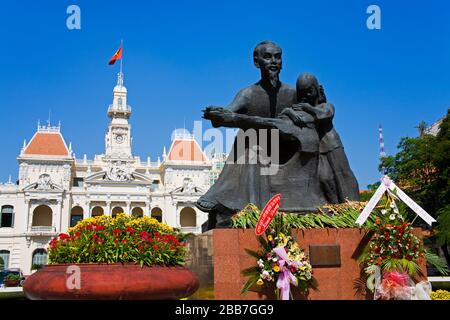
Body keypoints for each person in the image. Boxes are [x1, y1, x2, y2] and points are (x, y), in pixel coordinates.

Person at [284, 73, 360, 203]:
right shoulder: (304, 110)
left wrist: (308, 108)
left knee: (342, 175)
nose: (306, 96)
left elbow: (324, 115)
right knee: (324, 178)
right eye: (302, 93)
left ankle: (352, 205)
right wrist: (289, 111)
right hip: (318, 149)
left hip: (332, 146)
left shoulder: (326, 106)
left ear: (316, 90)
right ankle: (336, 208)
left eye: (309, 91)